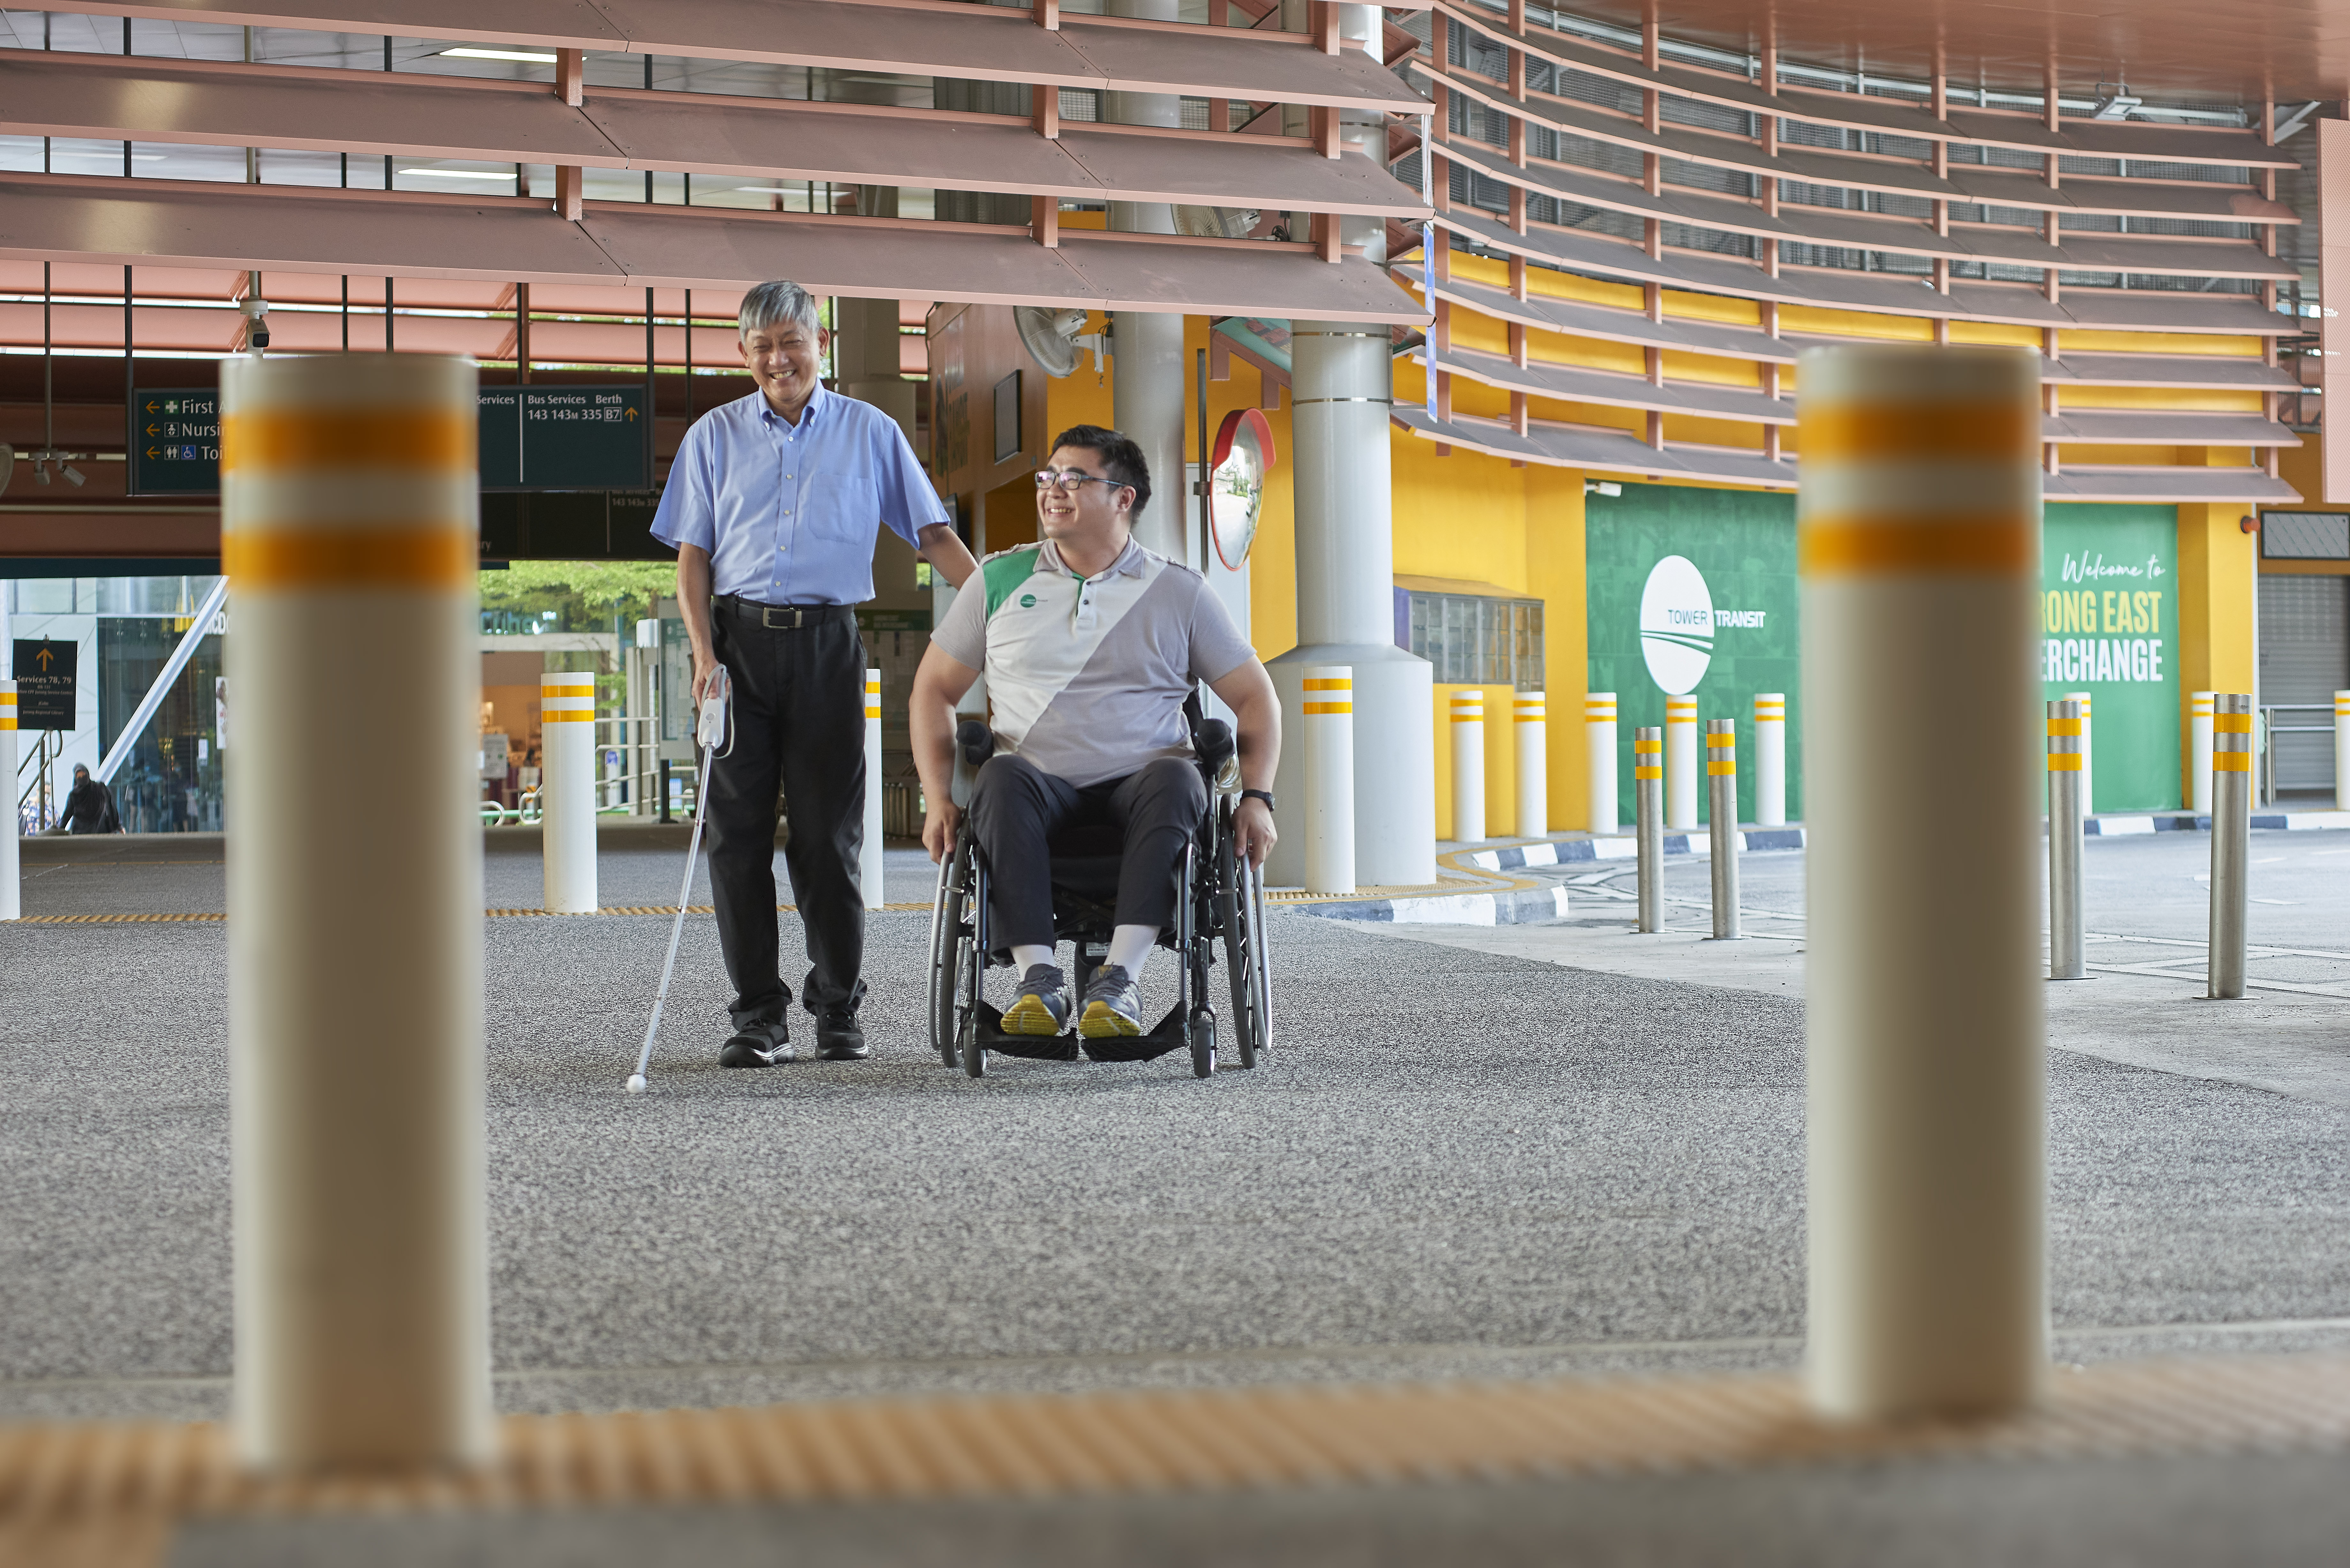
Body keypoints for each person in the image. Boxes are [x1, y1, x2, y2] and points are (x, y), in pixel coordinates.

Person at [653, 280, 979, 1067]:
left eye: (790, 341)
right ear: (743, 354)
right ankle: (757, 1016)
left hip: (829, 647)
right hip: (735, 649)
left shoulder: (870, 432)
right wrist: (703, 655)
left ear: (819, 343)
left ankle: (838, 1007)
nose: (777, 359)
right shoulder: (713, 436)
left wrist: (999, 611)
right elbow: (691, 558)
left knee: (828, 839)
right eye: (760, 346)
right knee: (734, 840)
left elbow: (932, 535)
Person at [909, 424, 1280, 1040]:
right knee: (997, 777)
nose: (1054, 490)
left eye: (1074, 479)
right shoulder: (998, 580)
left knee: (1180, 777)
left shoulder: (1179, 591)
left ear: (1123, 497)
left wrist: (1258, 798)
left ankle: (1119, 982)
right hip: (1034, 784)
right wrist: (939, 798)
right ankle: (1040, 982)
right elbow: (933, 690)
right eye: (1048, 478)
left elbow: (1255, 697)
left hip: (1143, 783)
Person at [57, 764, 121, 835]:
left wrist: (118, 826)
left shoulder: (100, 789)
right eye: (79, 776)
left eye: (84, 774)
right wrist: (58, 831)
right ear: (76, 778)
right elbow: (67, 815)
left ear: (87, 773)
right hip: (80, 837)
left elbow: (111, 809)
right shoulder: (74, 795)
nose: (82, 778)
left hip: (100, 834)